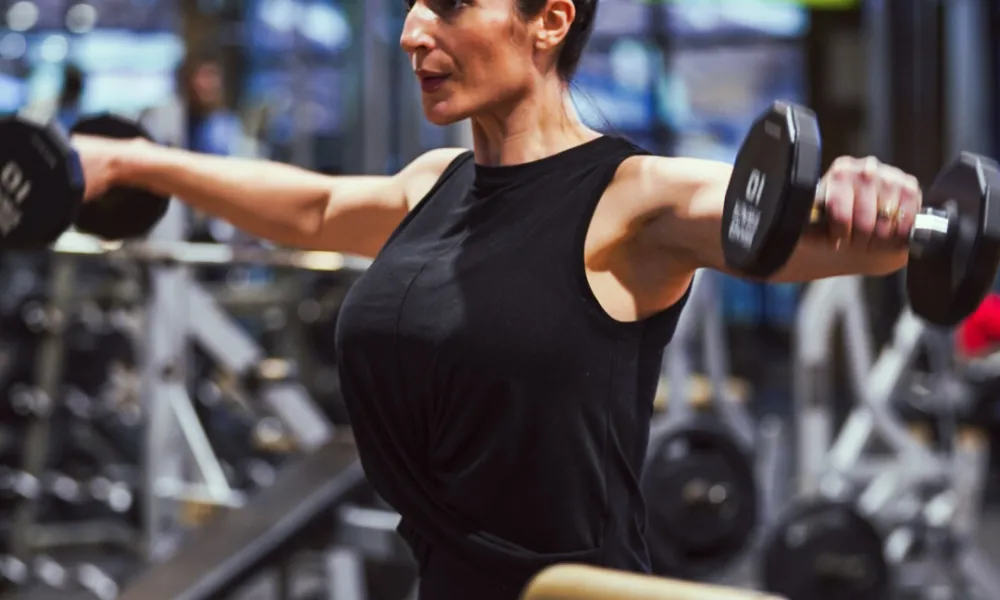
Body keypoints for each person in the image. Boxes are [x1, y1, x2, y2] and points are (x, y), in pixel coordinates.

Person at [72, 1, 922, 598]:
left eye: (447, 5)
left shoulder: (638, 197)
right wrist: (138, 166)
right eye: (413, 6)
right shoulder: (438, 183)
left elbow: (803, 232)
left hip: (577, 596)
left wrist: (871, 205)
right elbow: (313, 208)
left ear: (549, 21)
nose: (411, 32)